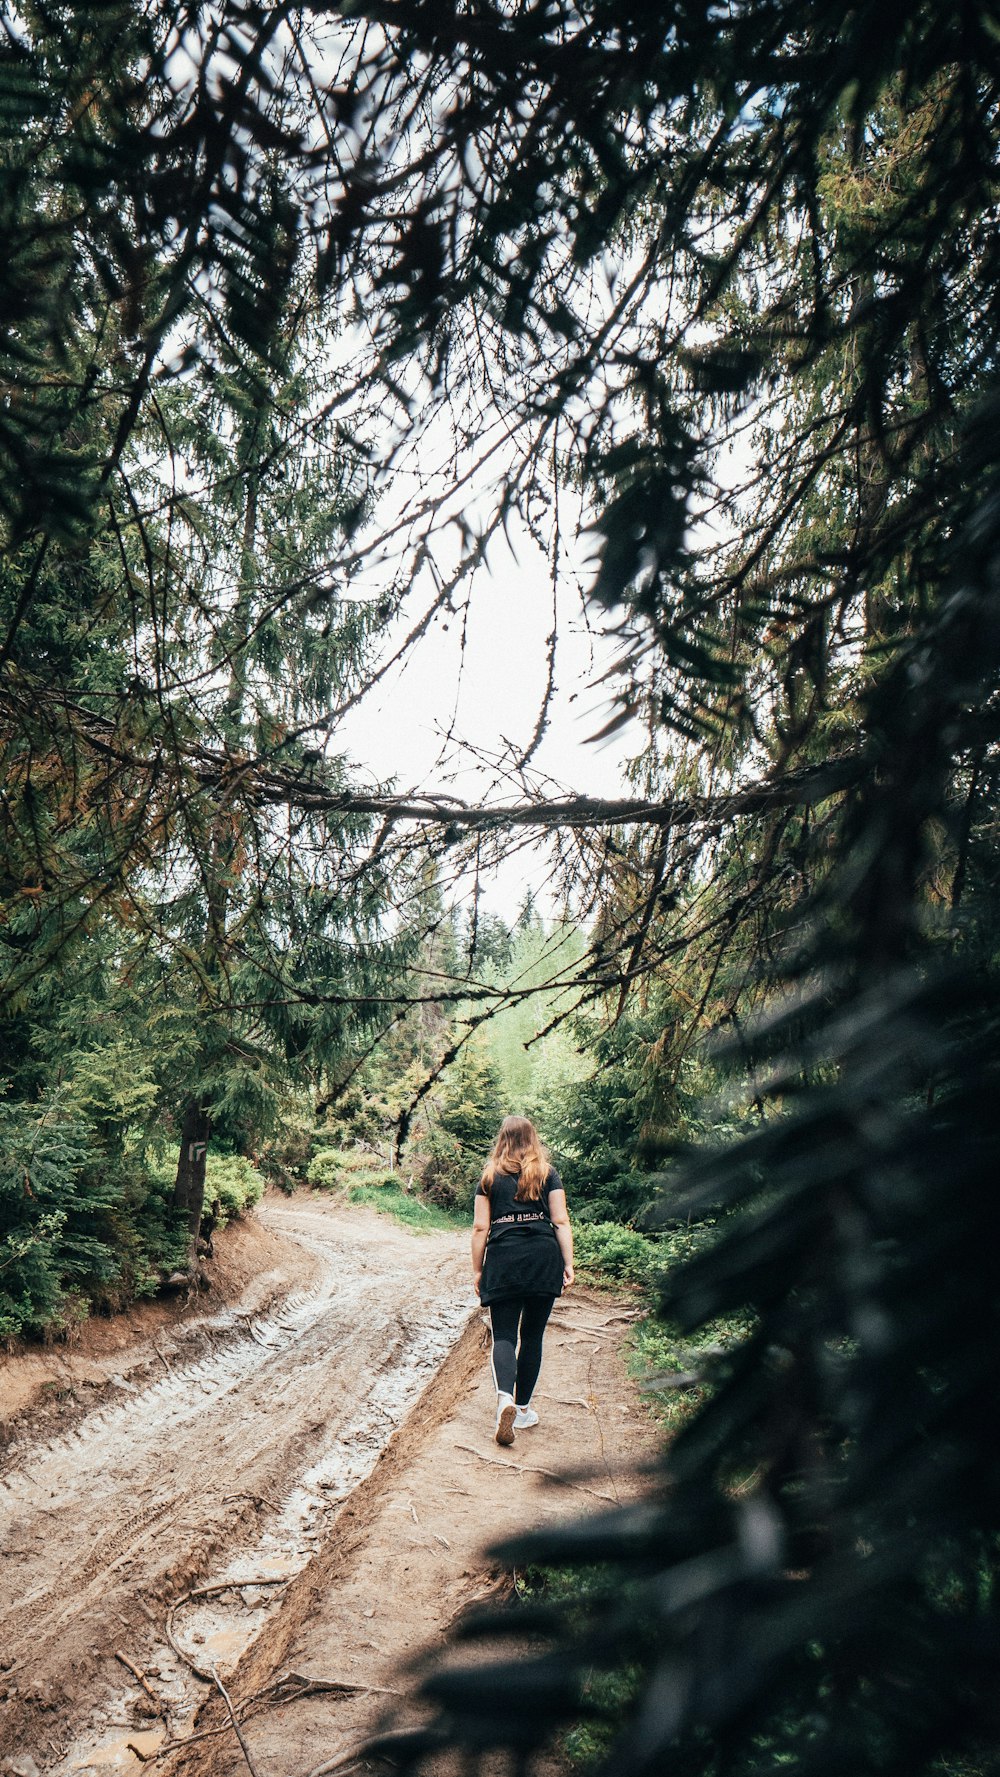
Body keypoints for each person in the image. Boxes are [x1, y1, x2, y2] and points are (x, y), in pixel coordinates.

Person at [471, 1114, 574, 1447]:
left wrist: (477, 1269)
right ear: (532, 1139)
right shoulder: (548, 1173)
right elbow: (560, 1221)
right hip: (543, 1257)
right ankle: (525, 1409)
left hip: (504, 1259)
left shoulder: (489, 1177)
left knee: (503, 1335)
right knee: (532, 1336)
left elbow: (480, 1229)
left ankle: (505, 1399)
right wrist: (568, 1264)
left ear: (502, 1139)